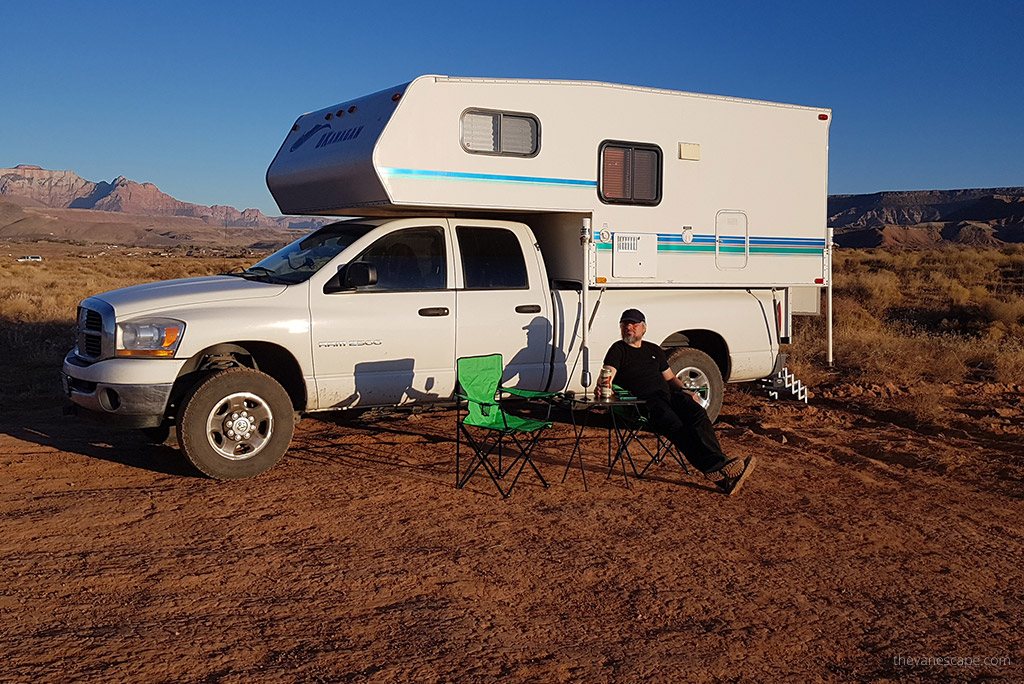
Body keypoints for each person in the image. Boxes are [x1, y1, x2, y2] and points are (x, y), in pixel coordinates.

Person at [601, 308, 756, 495]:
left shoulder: (653, 350)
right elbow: (608, 372)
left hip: (669, 396)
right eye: (625, 324)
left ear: (644, 328)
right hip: (645, 403)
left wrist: (685, 390)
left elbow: (670, 378)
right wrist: (604, 385)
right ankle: (718, 470)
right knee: (678, 427)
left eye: (634, 324)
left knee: (698, 413)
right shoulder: (618, 349)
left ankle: (720, 466)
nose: (629, 328)